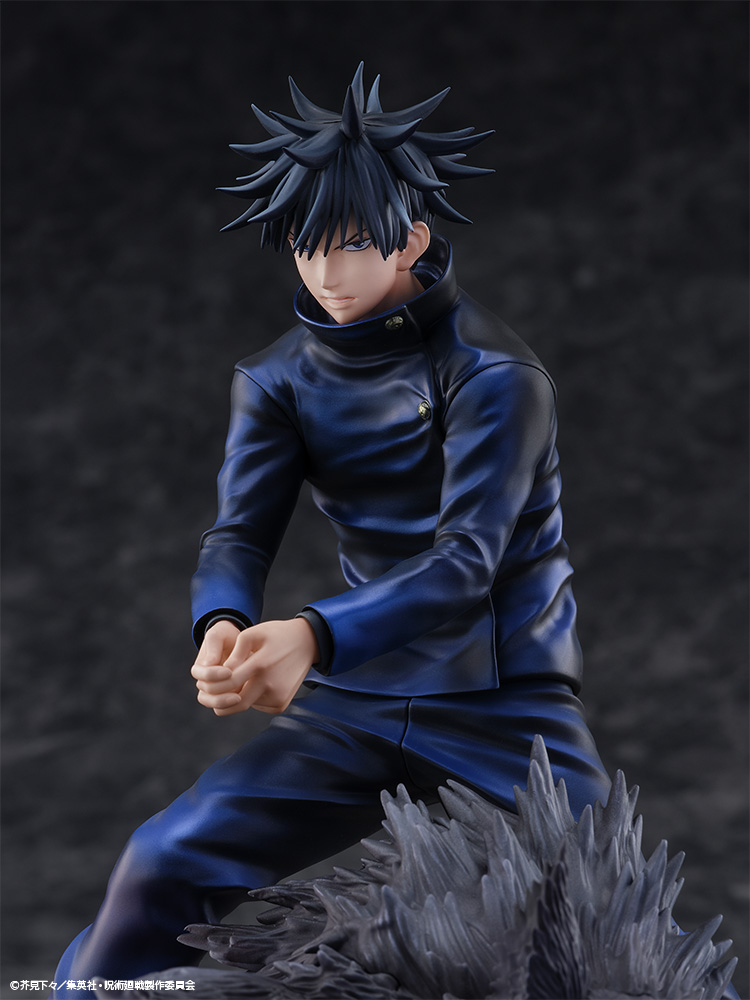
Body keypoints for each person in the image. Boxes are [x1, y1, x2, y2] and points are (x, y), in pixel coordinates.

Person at [52, 63, 611, 996]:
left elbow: (466, 562)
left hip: (506, 701)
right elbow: (237, 535)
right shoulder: (277, 378)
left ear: (411, 238)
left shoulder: (495, 377)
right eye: (308, 248)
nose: (328, 273)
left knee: (601, 909)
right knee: (161, 862)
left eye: (353, 245)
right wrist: (222, 623)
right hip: (361, 694)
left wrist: (311, 634)